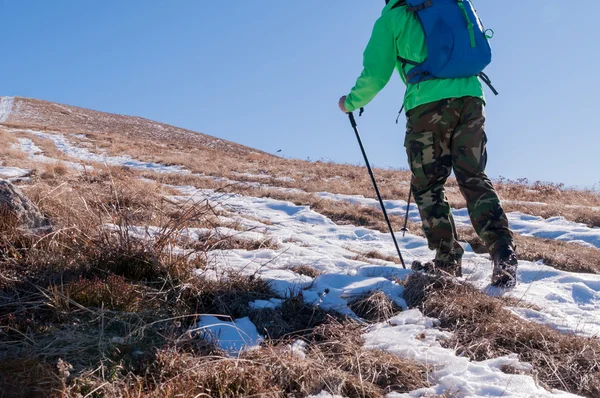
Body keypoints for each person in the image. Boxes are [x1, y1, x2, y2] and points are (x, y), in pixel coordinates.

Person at [338, 0, 518, 287]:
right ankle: (503, 251)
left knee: (428, 183)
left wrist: (350, 102)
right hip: (472, 96)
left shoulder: (393, 17)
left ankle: (446, 262)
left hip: (428, 104)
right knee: (473, 176)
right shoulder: (448, 3)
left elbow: (375, 74)